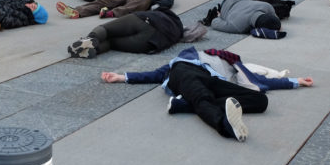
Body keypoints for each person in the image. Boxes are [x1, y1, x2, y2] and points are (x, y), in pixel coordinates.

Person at [100, 46, 313, 141]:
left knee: (261, 100)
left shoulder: (237, 66)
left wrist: (295, 81)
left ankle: (184, 105)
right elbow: (155, 74)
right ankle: (226, 127)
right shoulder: (188, 57)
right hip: (186, 73)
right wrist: (122, 77)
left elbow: (261, 79)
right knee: (201, 96)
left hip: (213, 81)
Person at [67, 7, 185, 60]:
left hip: (143, 20)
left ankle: (91, 39)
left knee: (107, 30)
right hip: (150, 42)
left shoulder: (160, 13)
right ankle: (94, 50)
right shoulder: (177, 32)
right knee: (112, 43)